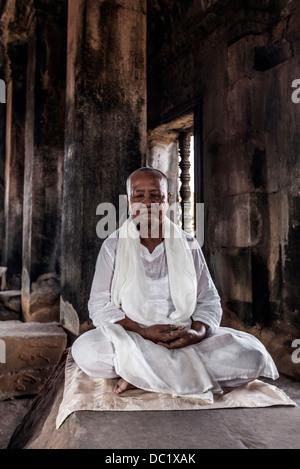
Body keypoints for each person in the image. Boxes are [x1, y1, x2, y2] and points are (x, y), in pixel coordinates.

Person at [72, 167, 278, 401]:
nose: (147, 203)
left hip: (182, 336)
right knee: (87, 352)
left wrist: (197, 332)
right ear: (128, 202)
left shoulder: (188, 243)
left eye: (155, 195)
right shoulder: (113, 245)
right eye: (139, 195)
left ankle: (140, 373)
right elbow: (99, 304)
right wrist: (142, 332)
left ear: (168, 200)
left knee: (252, 357)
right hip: (133, 335)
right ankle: (157, 371)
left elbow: (208, 299)